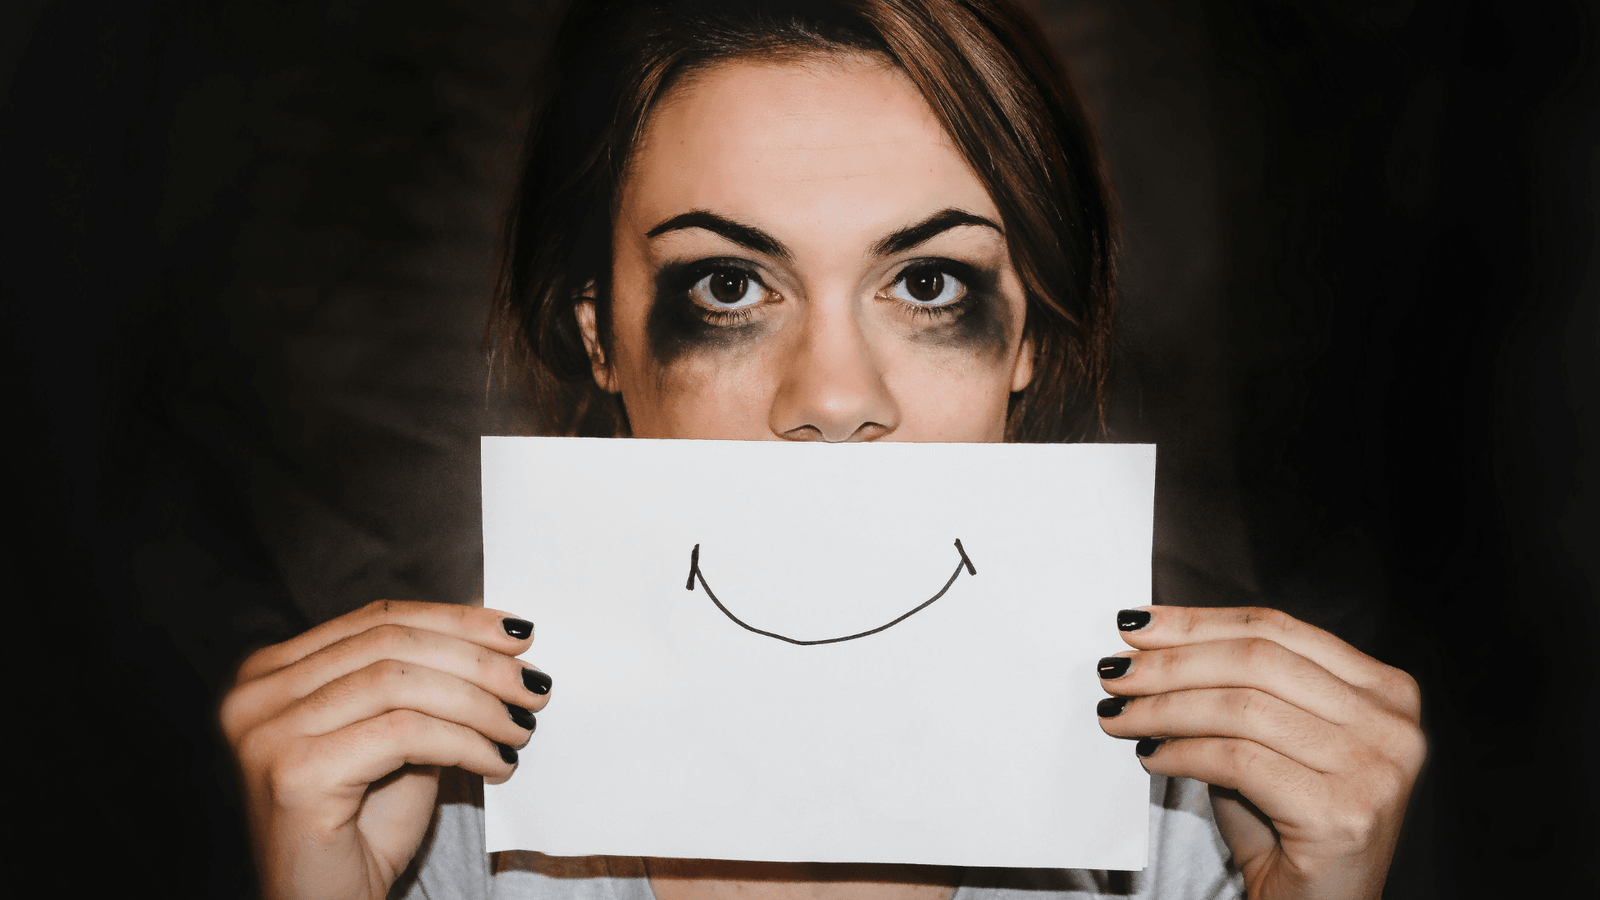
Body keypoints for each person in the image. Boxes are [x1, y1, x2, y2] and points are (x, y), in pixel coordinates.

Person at [220, 2, 1426, 899]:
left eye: (928, 281)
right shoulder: (422, 831)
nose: (835, 397)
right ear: (602, 339)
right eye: (731, 285)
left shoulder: (1207, 834)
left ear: (1029, 344)